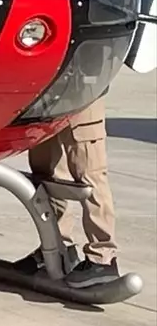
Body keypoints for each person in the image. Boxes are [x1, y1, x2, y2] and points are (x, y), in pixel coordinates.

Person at [13, 96, 121, 288]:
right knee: (44, 174)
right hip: (46, 96)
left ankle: (103, 258)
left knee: (90, 176)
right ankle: (57, 248)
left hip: (82, 93)